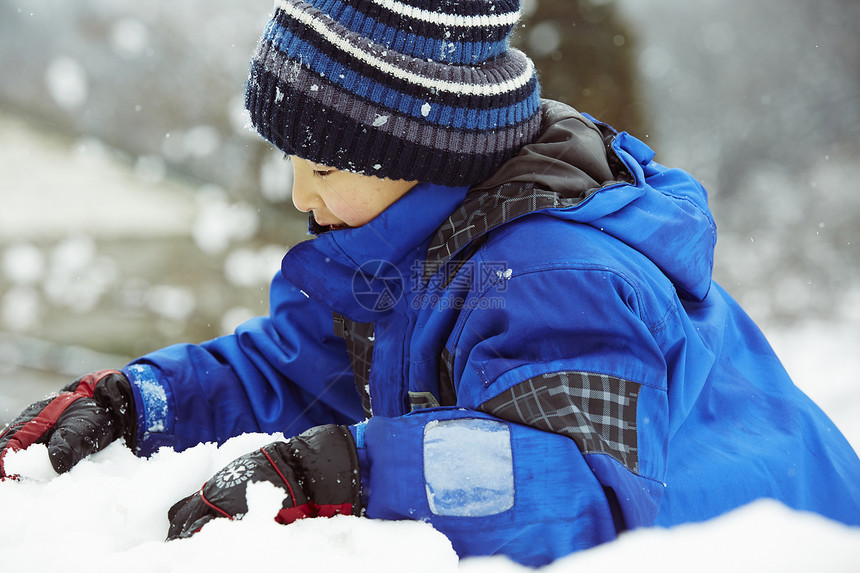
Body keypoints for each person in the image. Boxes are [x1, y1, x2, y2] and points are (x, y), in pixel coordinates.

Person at [2, 0, 859, 566]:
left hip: (783, 545)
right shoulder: (407, 243)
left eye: (324, 164)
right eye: (291, 163)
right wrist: (137, 400)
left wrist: (352, 470)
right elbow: (293, 373)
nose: (301, 195)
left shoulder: (554, 275)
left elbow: (574, 488)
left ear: (416, 151)